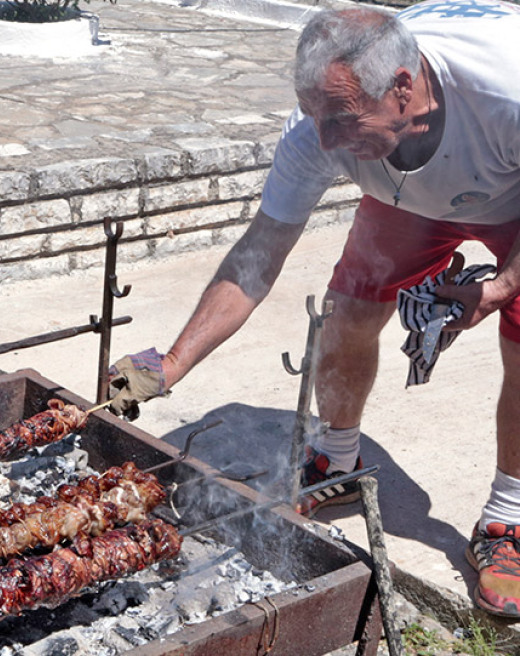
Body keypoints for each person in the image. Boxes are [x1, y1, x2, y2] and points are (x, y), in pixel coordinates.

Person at [107, 0, 520, 617]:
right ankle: (337, 458)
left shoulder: (504, 91)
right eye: (314, 117)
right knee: (349, 308)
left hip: (511, 196)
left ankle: (506, 522)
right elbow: (258, 255)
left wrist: (503, 286)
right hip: (407, 192)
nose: (325, 143)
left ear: (403, 90)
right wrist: (168, 364)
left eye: (341, 119)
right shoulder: (320, 133)